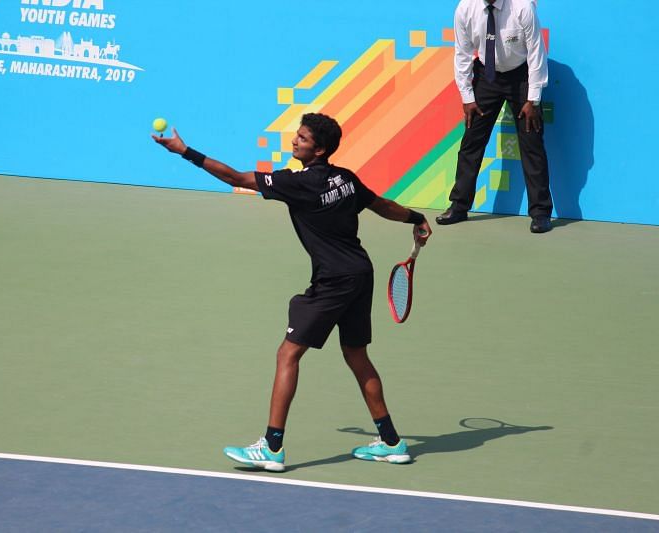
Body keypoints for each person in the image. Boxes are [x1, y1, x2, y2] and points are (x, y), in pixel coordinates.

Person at [153, 113, 432, 471]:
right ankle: (391, 442)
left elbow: (235, 177)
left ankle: (271, 448)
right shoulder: (345, 179)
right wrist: (415, 218)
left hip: (332, 281)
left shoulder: (298, 184)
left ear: (319, 149)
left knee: (288, 354)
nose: (295, 141)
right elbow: (380, 205)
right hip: (361, 274)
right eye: (297, 135)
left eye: (302, 138)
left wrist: (183, 151)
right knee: (356, 355)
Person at [438, 0, 552, 233]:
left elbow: (536, 52)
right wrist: (467, 96)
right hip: (486, 75)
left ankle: (540, 213)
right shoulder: (465, 8)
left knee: (532, 143)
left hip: (521, 76)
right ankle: (459, 206)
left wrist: (533, 99)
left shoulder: (522, 7)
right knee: (471, 142)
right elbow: (462, 52)